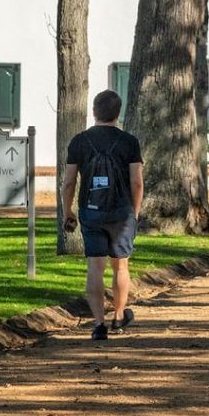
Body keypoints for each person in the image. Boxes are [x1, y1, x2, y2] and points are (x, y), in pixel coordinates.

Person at [62, 89, 144, 340]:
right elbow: (137, 182)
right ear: (117, 113)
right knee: (120, 266)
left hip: (91, 210)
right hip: (121, 212)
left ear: (94, 111)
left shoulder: (79, 141)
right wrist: (135, 213)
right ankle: (119, 316)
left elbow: (68, 182)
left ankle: (98, 324)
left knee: (95, 267)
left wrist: (68, 211)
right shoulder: (129, 142)